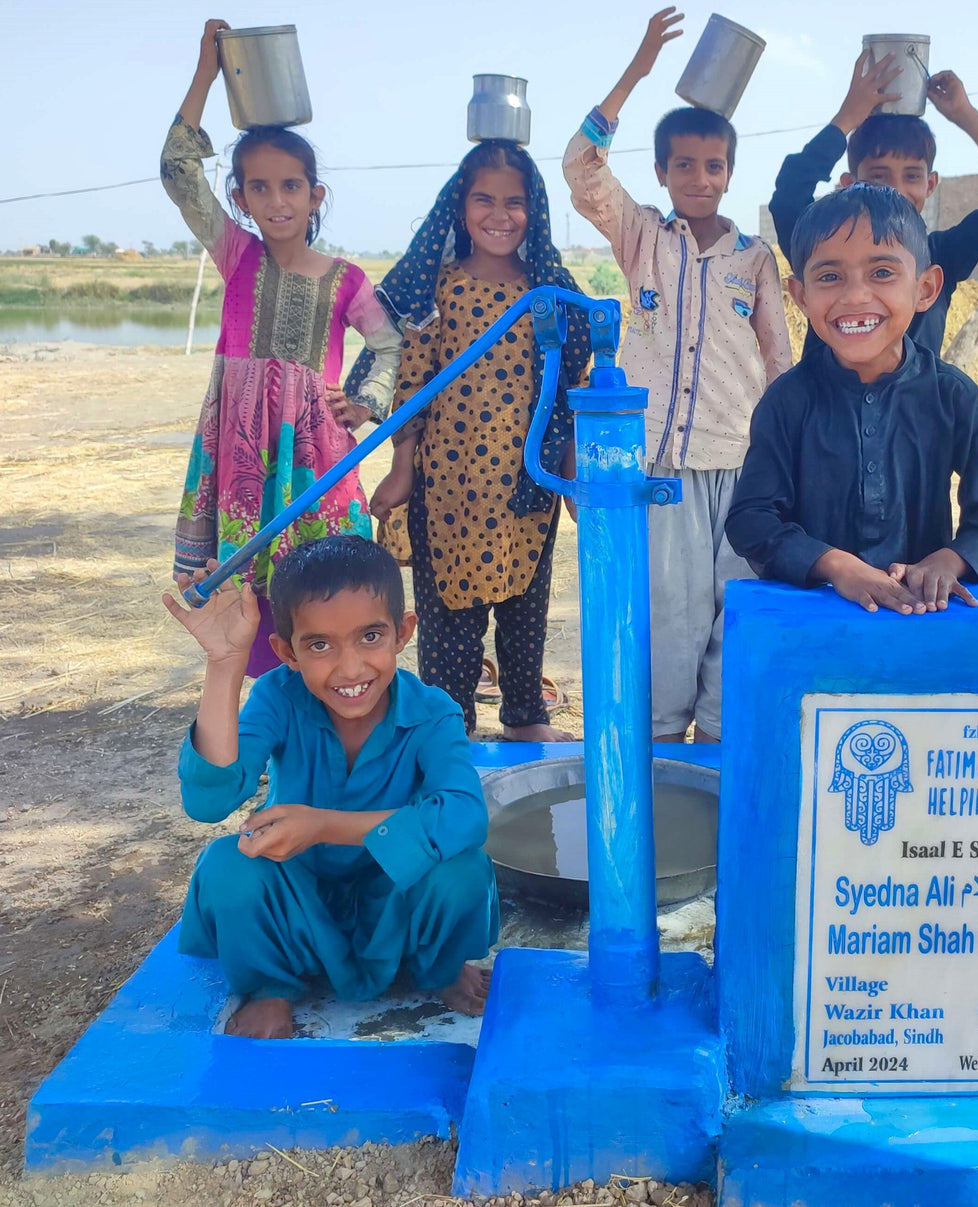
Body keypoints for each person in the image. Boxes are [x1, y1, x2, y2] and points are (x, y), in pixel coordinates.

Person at [162, 535, 500, 1040]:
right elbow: (209, 801)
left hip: (399, 898)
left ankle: (440, 968)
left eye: (370, 637)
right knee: (225, 866)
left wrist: (323, 826)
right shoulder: (278, 696)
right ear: (286, 652)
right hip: (296, 897)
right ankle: (270, 985)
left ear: (403, 633)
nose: (350, 669)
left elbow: (465, 816)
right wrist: (225, 663)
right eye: (319, 645)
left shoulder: (433, 711)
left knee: (462, 869)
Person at [563, 7, 791, 743]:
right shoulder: (642, 240)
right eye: (684, 165)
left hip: (744, 468)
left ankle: (722, 758)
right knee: (668, 618)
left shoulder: (754, 260)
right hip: (662, 467)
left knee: (742, 612)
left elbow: (780, 361)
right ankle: (657, 764)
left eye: (714, 165)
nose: (700, 177)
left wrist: (787, 458)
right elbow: (580, 168)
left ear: (730, 173)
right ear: (662, 172)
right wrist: (635, 72)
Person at [163, 20, 402, 677]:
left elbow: (389, 345)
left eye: (291, 186)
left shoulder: (345, 278)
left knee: (329, 592)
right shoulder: (236, 255)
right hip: (241, 456)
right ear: (239, 199)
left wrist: (364, 402)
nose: (277, 200)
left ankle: (341, 712)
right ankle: (278, 737)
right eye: (259, 188)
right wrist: (207, 72)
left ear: (314, 194)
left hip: (315, 453)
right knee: (255, 599)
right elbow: (177, 171)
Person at [345, 140, 590, 743]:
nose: (499, 214)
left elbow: (567, 387)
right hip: (447, 485)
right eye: (484, 199)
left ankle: (525, 716)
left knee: (525, 607)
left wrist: (571, 474)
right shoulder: (441, 288)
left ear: (535, 209)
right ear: (460, 207)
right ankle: (448, 728)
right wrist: (402, 464)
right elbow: (415, 379)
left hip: (526, 483)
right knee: (448, 618)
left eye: (515, 201)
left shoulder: (549, 294)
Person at [726, 185, 978, 615]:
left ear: (925, 288)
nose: (855, 296)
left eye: (882, 272)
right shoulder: (786, 402)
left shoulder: (954, 396)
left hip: (926, 620)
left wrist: (950, 561)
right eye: (830, 277)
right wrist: (834, 566)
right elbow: (751, 519)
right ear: (801, 296)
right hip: (814, 624)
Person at [769, 52, 978, 356]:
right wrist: (846, 118)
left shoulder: (943, 255)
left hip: (917, 406)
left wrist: (964, 112)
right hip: (823, 404)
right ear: (848, 183)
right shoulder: (820, 246)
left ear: (931, 184)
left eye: (911, 175)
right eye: (878, 176)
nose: (896, 190)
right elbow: (788, 196)